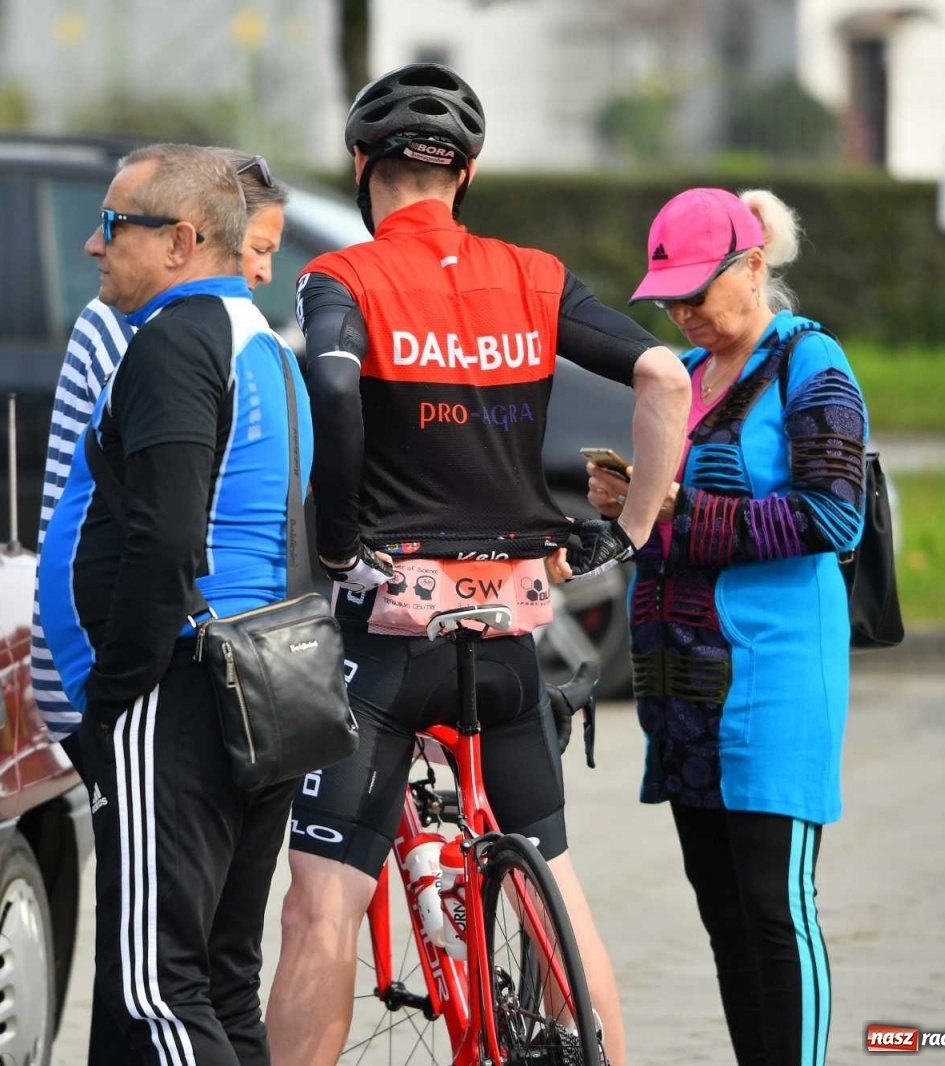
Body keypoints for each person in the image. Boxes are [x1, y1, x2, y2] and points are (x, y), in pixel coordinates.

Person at [266, 63, 692, 1066]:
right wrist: (626, 533)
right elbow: (665, 374)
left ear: (361, 164)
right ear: (466, 173)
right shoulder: (536, 276)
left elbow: (330, 384)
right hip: (510, 630)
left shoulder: (342, 279)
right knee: (557, 874)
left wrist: (336, 540)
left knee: (321, 908)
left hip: (389, 636)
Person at [38, 143, 309, 1066]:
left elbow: (164, 539)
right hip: (251, 686)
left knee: (159, 990)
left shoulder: (175, 341)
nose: (93, 244)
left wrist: (110, 704)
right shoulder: (263, 345)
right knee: (221, 978)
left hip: (177, 690)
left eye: (115, 225)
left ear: (182, 241)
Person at [589, 187, 865, 1066]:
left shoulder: (810, 364)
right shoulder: (680, 372)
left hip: (775, 679)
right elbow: (662, 516)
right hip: (686, 692)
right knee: (722, 917)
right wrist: (629, 501)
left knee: (774, 909)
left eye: (696, 293)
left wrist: (682, 508)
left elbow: (833, 516)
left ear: (753, 268)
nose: (681, 313)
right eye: (668, 299)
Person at [31, 149, 291, 754]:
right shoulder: (142, 328)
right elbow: (90, 502)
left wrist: (114, 692)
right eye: (258, 248)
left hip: (158, 673)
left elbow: (170, 533)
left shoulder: (190, 339)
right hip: (143, 668)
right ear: (199, 241)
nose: (262, 271)